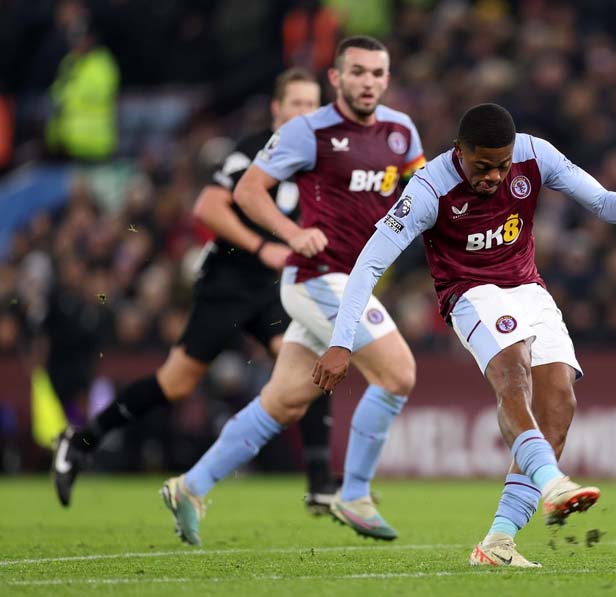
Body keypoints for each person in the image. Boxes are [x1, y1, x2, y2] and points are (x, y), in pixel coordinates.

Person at [313, 103, 616, 567]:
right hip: (470, 292)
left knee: (558, 402)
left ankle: (498, 543)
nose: (495, 177)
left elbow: (602, 203)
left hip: (528, 288)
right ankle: (552, 481)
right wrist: (341, 340)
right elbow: (368, 264)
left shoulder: (535, 156)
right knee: (512, 372)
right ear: (460, 151)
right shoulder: (428, 188)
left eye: (502, 166)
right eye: (483, 167)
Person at [160, 36, 425, 546]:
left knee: (283, 403)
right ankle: (354, 494)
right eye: (358, 72)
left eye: (377, 73)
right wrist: (291, 233)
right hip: (317, 276)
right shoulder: (310, 131)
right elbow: (246, 191)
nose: (368, 82)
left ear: (387, 79)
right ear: (337, 78)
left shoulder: (401, 131)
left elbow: (422, 191)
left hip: (355, 278)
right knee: (397, 374)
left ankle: (189, 487)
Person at [52, 68, 335, 509]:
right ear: (277, 109)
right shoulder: (252, 150)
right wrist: (262, 246)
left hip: (274, 290)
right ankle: (82, 440)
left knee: (311, 364)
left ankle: (320, 482)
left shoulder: (317, 159)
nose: (304, 113)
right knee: (177, 382)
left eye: (312, 104)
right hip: (229, 282)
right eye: (295, 104)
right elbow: (208, 206)